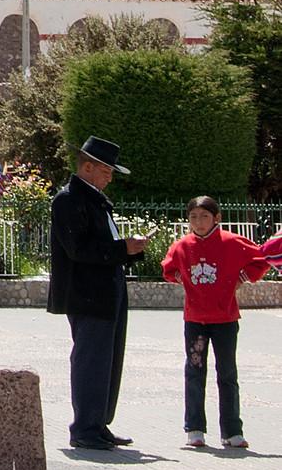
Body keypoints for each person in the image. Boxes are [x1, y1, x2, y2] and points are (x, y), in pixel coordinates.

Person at [46, 136, 147, 451]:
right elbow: (78, 249)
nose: (110, 177)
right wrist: (122, 248)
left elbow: (101, 247)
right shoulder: (68, 200)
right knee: (91, 360)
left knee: (108, 360)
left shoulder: (95, 200)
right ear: (87, 167)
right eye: (106, 170)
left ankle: (98, 422)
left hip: (106, 290)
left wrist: (128, 251)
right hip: (87, 294)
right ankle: (84, 428)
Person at [162, 195, 277, 450]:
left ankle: (232, 431)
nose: (199, 222)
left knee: (227, 374)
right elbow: (168, 269)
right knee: (194, 372)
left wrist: (243, 277)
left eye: (204, 216)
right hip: (195, 320)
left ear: (217, 218)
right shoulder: (182, 246)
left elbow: (260, 259)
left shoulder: (232, 242)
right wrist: (181, 278)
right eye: (193, 217)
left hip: (225, 319)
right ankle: (194, 429)